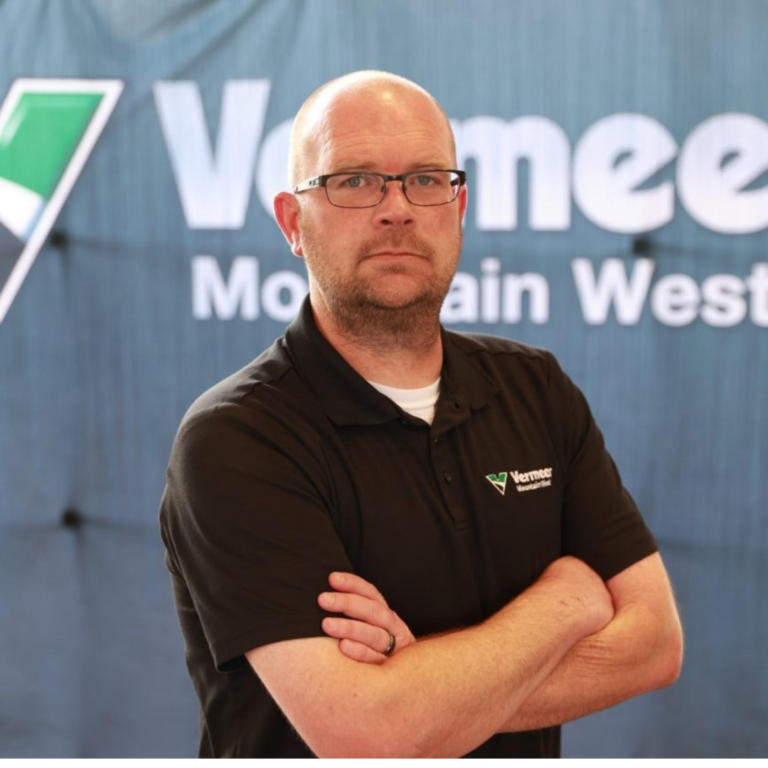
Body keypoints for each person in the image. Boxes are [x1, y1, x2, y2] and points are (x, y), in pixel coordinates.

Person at [159, 70, 683, 758]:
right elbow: (367, 735)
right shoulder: (238, 439)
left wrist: (422, 692)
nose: (397, 208)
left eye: (426, 180)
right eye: (354, 181)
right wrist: (566, 600)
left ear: (457, 206)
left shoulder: (536, 390)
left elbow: (654, 643)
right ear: (293, 222)